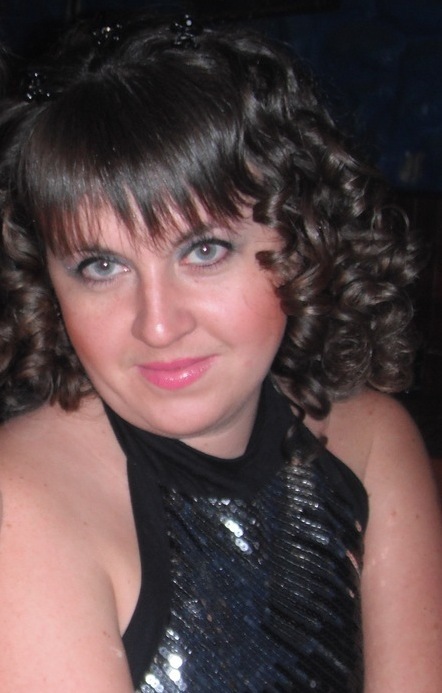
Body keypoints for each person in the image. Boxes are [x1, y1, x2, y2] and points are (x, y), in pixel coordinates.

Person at [0, 13, 441, 693]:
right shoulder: (22, 499)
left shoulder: (371, 443)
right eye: (101, 266)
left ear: (303, 241)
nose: (158, 324)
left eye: (204, 250)